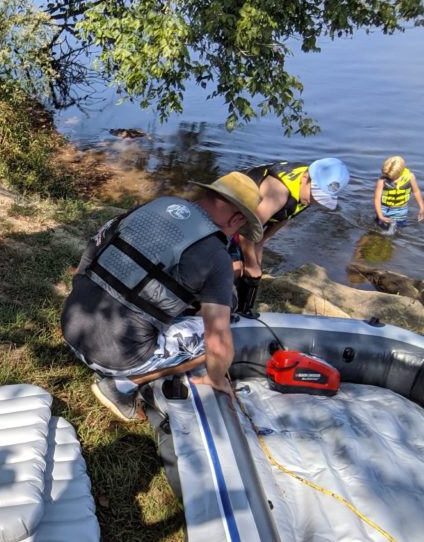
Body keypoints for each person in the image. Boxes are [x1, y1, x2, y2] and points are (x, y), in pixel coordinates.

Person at [61, 172, 263, 421]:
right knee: (216, 340)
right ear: (238, 217)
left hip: (71, 324)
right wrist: (216, 377)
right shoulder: (217, 257)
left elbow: (92, 251)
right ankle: (122, 385)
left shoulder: (157, 206)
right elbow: (218, 342)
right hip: (112, 357)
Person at [235, 157, 350, 315]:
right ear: (305, 178)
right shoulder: (279, 192)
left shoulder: (305, 192)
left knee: (253, 270)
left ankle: (242, 308)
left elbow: (284, 217)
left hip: (248, 222)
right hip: (230, 216)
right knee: (236, 267)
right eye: (314, 194)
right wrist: (250, 263)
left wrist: (261, 245)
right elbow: (246, 229)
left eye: (319, 198)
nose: (314, 200)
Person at [373, 155, 424, 232]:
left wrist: (422, 207)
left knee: (400, 229)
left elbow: (416, 192)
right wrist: (380, 216)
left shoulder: (410, 177)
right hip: (384, 209)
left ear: (401, 172)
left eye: (393, 178)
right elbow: (377, 199)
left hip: (401, 210)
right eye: (389, 177)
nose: (391, 180)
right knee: (379, 227)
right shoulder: (382, 180)